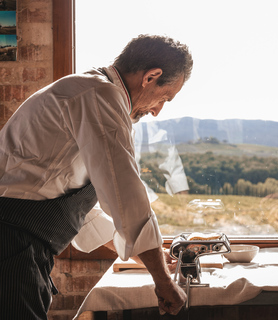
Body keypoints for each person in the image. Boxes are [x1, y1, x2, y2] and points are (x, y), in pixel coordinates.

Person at [0, 34, 193, 319]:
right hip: (11, 244)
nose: (156, 111)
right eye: (164, 98)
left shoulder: (89, 92)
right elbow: (125, 195)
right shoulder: (100, 96)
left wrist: (150, 258)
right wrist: (163, 281)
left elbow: (80, 209)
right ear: (151, 76)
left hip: (19, 243)